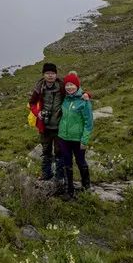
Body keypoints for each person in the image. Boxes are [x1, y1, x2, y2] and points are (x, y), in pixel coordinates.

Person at [57, 72, 94, 200]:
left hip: (78, 139)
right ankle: (69, 190)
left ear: (77, 85)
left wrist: (84, 139)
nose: (69, 87)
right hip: (63, 138)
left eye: (72, 84)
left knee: (80, 161)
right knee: (66, 163)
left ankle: (86, 186)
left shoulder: (84, 101)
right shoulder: (64, 98)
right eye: (67, 85)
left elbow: (88, 123)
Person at [28, 62, 66, 181]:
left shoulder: (62, 86)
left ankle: (59, 176)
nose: (50, 76)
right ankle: (46, 174)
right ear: (44, 74)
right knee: (46, 151)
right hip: (44, 126)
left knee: (60, 152)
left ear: (56, 74)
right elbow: (32, 103)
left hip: (60, 126)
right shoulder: (39, 88)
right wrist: (37, 113)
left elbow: (75, 92)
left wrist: (86, 94)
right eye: (48, 73)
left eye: (53, 73)